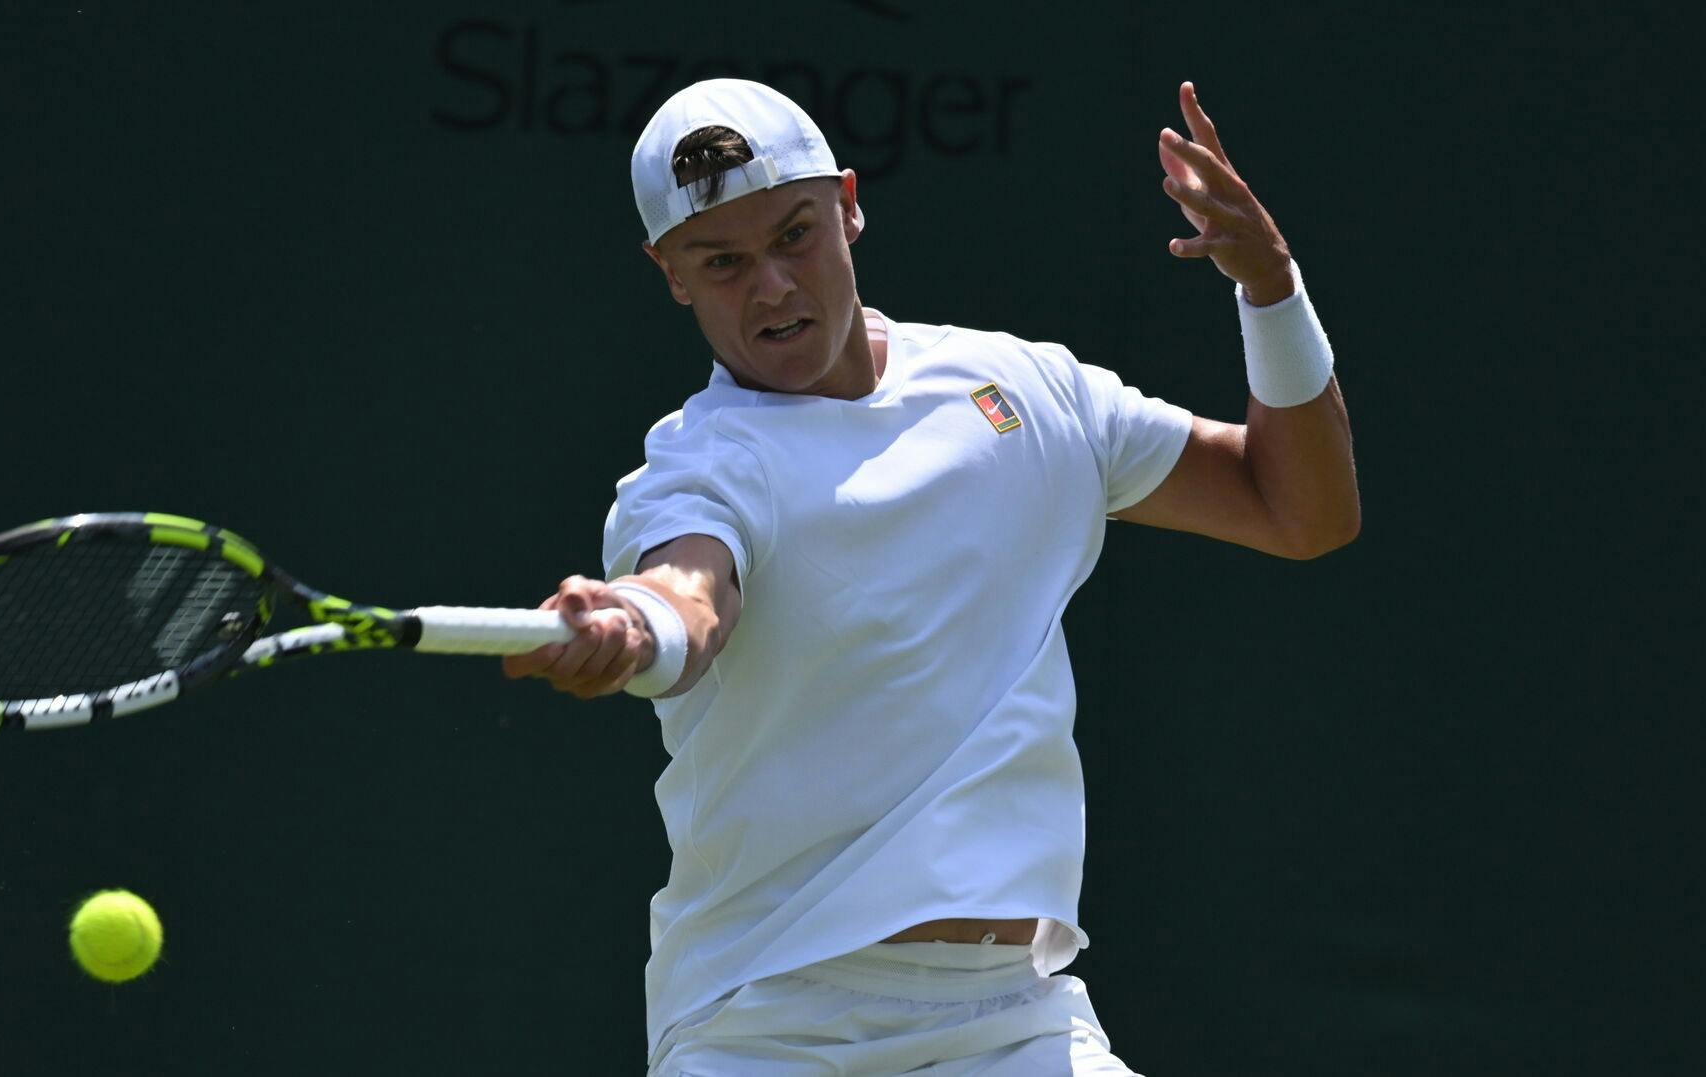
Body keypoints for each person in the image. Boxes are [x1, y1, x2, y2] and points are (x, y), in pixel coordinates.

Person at [504, 78, 1358, 1076]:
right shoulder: (699, 468)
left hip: (1015, 1020)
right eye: (723, 261)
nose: (772, 287)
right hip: (766, 1029)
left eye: (794, 236)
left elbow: (1301, 511)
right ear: (671, 274)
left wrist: (1271, 288)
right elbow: (689, 596)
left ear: (848, 206)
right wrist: (637, 625)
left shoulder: (1025, 393)